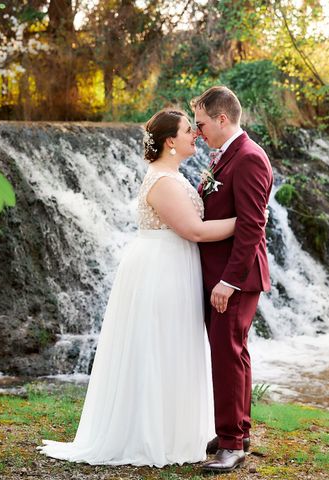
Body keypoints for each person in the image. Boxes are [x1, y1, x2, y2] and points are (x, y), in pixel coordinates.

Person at [37, 108, 239, 467]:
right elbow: (194, 230)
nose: (195, 133)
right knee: (158, 346)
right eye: (187, 129)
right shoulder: (162, 182)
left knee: (171, 345)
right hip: (162, 269)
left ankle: (173, 429)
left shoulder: (171, 175)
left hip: (173, 264)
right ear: (169, 142)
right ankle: (151, 435)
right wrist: (245, 222)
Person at [192, 86, 273, 473]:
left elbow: (253, 226)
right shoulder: (225, 156)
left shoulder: (249, 158)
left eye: (202, 123)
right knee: (233, 353)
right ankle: (236, 431)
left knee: (228, 355)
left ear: (222, 119)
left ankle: (231, 444)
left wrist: (229, 282)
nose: (198, 130)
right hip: (221, 276)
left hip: (234, 279)